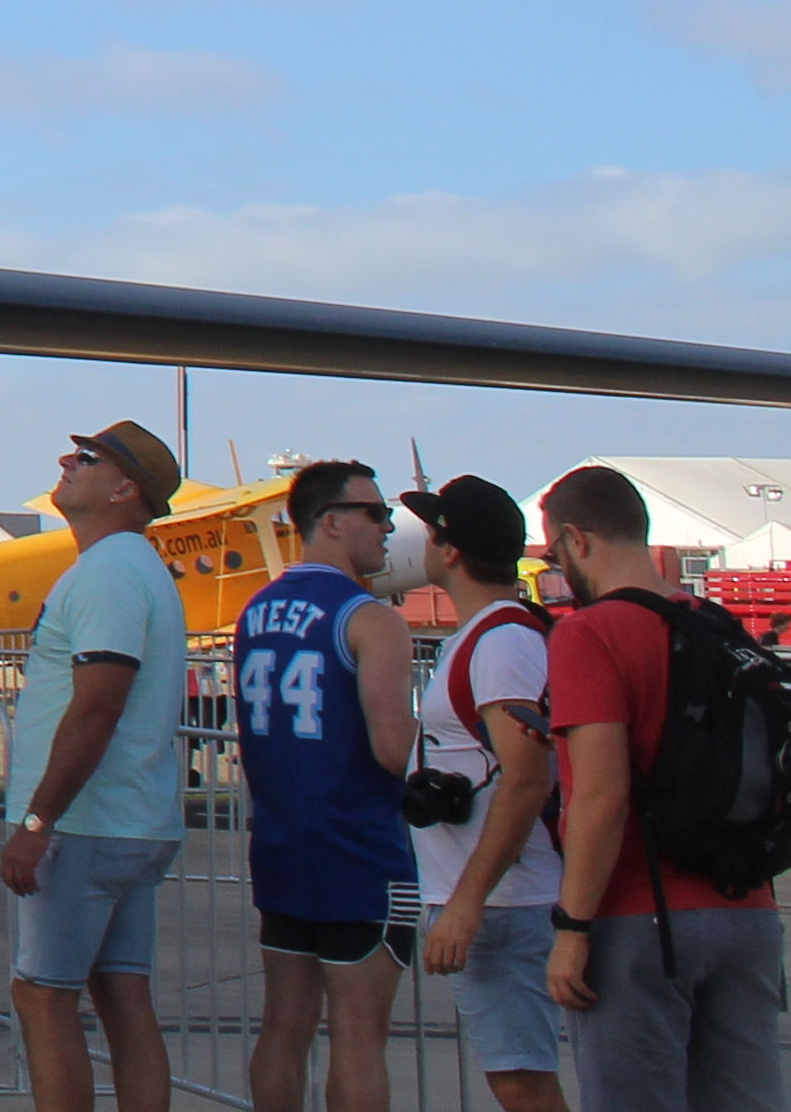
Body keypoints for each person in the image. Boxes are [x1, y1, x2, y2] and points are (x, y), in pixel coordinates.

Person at [539, 460, 786, 1112]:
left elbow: (600, 795)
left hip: (640, 919)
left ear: (577, 539)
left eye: (555, 552)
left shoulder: (588, 634)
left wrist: (572, 927)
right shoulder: (717, 624)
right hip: (747, 912)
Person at [0, 420, 190, 1112]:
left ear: (125, 487)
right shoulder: (134, 567)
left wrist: (38, 818)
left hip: (86, 824)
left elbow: (98, 701)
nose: (64, 462)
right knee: (121, 992)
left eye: (85, 457)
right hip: (133, 819)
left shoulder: (109, 570)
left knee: (42, 996)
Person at [237, 462, 419, 1112]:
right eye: (376, 513)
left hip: (284, 845)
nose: (388, 527)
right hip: (361, 850)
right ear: (332, 520)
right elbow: (394, 747)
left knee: (284, 1026)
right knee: (359, 1035)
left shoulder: (256, 610)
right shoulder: (370, 617)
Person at [400, 475, 565, 1112]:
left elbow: (526, 775)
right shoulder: (489, 636)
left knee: (522, 1081)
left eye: (433, 530)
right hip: (495, 899)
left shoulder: (501, 643)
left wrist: (468, 902)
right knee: (518, 1076)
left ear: (451, 551)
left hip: (503, 904)